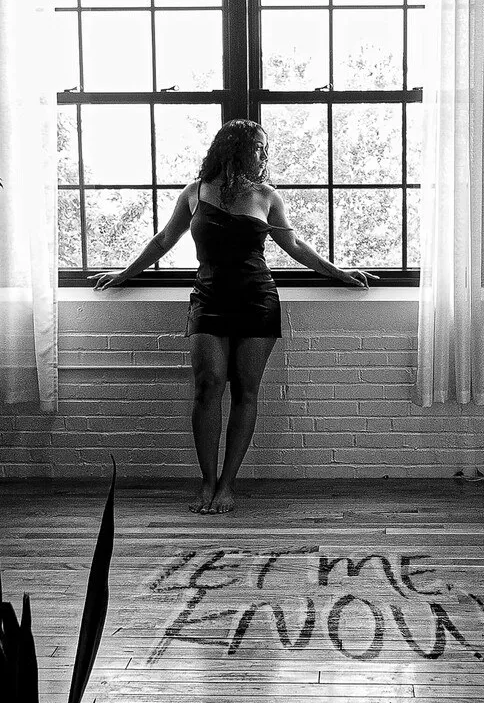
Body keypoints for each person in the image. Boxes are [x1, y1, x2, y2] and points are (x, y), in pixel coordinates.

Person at [90, 119, 376, 515]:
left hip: (257, 299)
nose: (264, 154)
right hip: (208, 298)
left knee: (245, 391)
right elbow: (164, 240)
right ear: (234, 148)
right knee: (207, 386)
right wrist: (125, 274)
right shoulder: (195, 192)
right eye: (258, 147)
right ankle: (207, 481)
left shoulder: (266, 196)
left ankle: (227, 484)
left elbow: (294, 245)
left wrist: (339, 274)